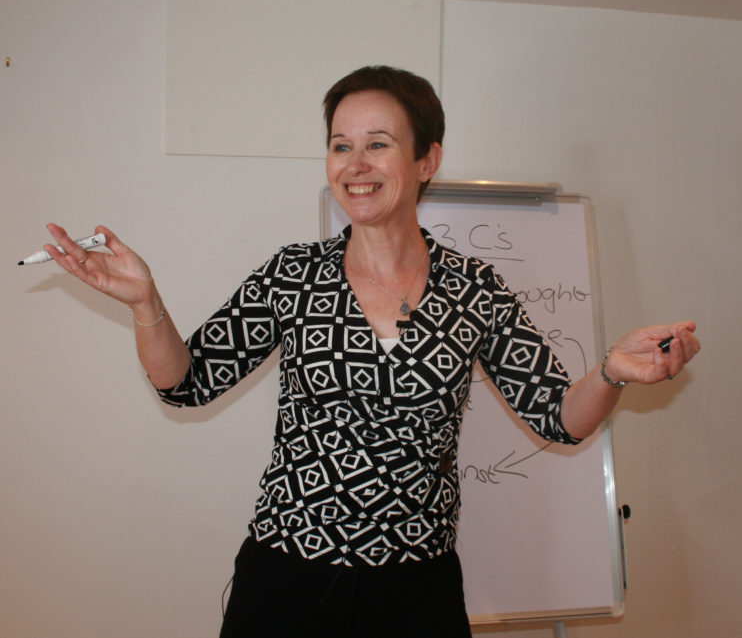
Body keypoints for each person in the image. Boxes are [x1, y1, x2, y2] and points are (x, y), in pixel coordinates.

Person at [44, 65, 700, 637]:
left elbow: (559, 415)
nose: (354, 165)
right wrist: (143, 302)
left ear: (426, 159)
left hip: (416, 592)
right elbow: (183, 381)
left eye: (377, 144)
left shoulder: (476, 288)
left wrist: (611, 371)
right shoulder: (294, 275)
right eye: (340, 145)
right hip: (286, 580)